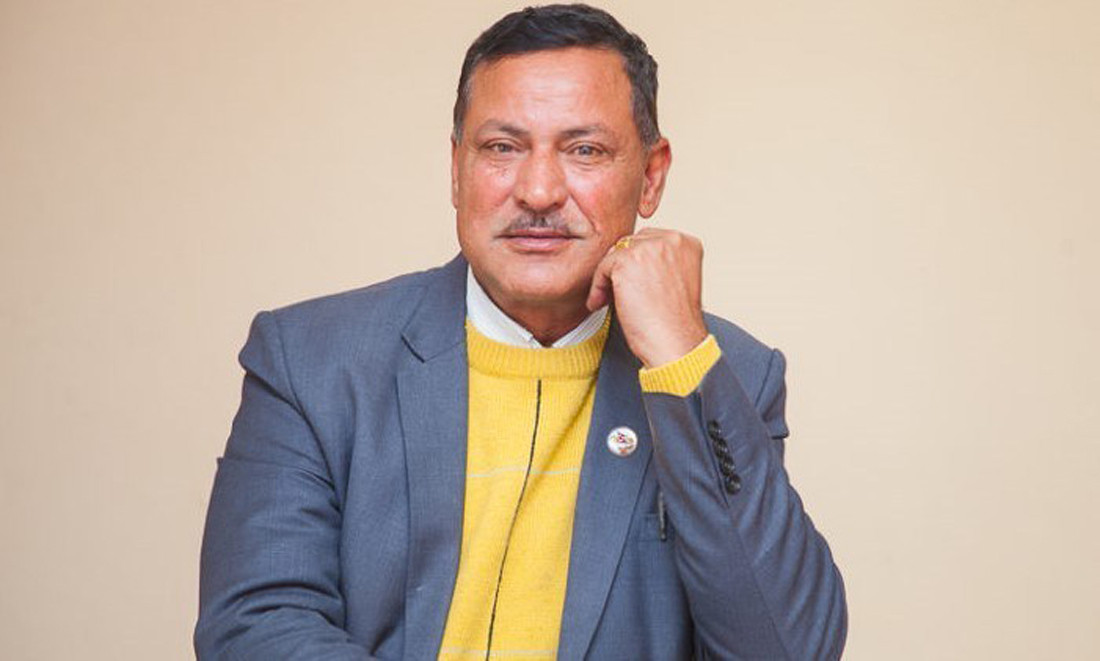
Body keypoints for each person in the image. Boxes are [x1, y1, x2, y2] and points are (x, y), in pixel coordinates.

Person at [195, 4, 847, 659]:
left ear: (651, 176)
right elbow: (258, 626)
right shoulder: (311, 361)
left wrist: (681, 360)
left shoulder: (729, 374)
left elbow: (785, 650)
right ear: (456, 169)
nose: (538, 191)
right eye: (502, 148)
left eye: (584, 150)